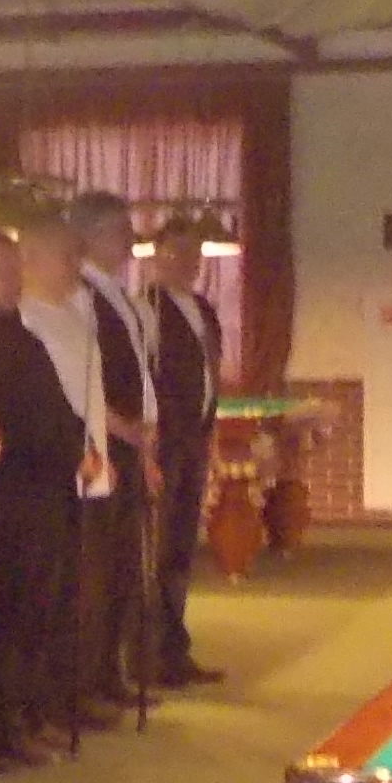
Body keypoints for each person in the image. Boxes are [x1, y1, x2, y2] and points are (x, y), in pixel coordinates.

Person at [0, 234, 76, 767]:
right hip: (7, 497)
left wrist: (76, 448)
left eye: (16, 270)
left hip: (43, 493)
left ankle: (25, 714)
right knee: (3, 620)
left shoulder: (24, 337)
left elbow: (54, 407)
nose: (13, 281)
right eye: (1, 270)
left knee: (35, 612)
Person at [16, 218, 117, 747]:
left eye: (77, 256)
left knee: (84, 595)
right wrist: (75, 450)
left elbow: (91, 396)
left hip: (92, 472)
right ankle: (42, 705)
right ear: (31, 258)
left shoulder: (75, 315)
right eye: (64, 256)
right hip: (54, 475)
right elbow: (45, 406)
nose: (75, 266)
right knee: (49, 600)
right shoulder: (25, 318)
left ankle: (75, 692)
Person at [70, 189, 160, 715]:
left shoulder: (120, 296)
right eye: (120, 232)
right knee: (98, 572)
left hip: (130, 444)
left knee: (124, 567)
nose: (130, 242)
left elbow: (138, 371)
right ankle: (87, 681)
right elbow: (82, 378)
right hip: (105, 443)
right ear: (90, 235)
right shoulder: (82, 294)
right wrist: (123, 428)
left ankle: (110, 672)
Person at [145, 214, 226, 691]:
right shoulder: (149, 308)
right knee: (156, 553)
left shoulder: (203, 308)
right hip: (166, 444)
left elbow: (209, 373)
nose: (187, 262)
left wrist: (208, 433)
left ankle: (175, 648)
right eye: (176, 253)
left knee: (180, 550)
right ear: (157, 256)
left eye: (194, 254)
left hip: (194, 440)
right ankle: (150, 653)